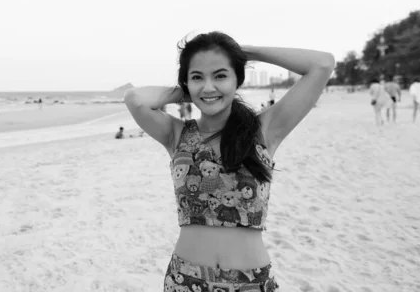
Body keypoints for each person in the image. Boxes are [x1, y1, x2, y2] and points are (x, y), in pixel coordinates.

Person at [124, 31, 334, 291]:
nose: (209, 86)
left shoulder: (264, 130)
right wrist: (191, 93)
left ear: (238, 79)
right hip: (185, 280)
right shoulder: (177, 134)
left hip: (250, 282)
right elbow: (134, 99)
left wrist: (247, 52)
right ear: (186, 82)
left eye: (221, 75)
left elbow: (322, 64)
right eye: (197, 77)